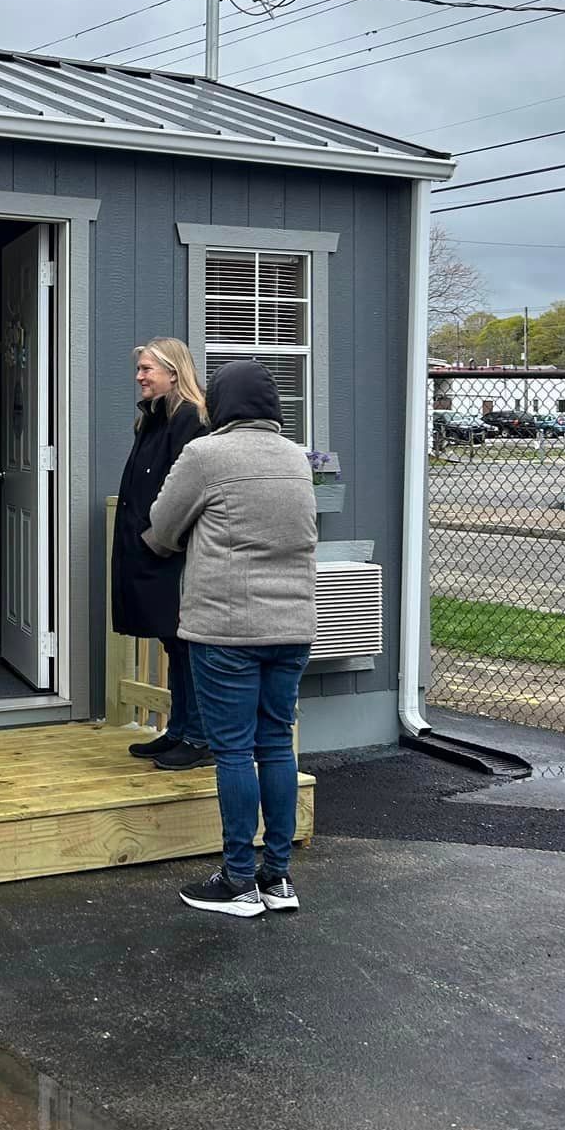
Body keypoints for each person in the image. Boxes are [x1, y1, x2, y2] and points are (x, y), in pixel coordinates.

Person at [145, 359, 316, 919]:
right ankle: (278, 879)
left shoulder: (205, 455)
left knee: (234, 751)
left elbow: (162, 526)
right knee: (276, 744)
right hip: (292, 625)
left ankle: (239, 881)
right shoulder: (295, 457)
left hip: (227, 628)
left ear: (219, 404)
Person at [111, 338, 210, 770]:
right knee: (174, 642)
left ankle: (199, 739)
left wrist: (158, 540)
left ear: (174, 372)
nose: (140, 377)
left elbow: (188, 492)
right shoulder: (152, 417)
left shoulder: (191, 419)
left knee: (187, 644)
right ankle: (179, 730)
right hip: (152, 550)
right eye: (139, 369)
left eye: (147, 369)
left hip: (176, 556)